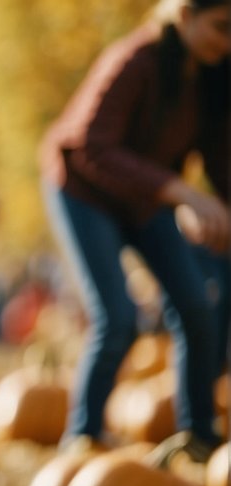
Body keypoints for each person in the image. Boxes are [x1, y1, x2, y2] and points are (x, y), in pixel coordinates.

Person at [40, 0, 229, 460]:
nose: (227, 42)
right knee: (117, 316)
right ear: (185, 16)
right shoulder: (135, 60)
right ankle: (83, 436)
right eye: (220, 27)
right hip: (84, 192)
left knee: (195, 306)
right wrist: (181, 192)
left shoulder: (212, 74)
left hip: (145, 203)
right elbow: (93, 147)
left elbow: (221, 157)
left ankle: (199, 436)